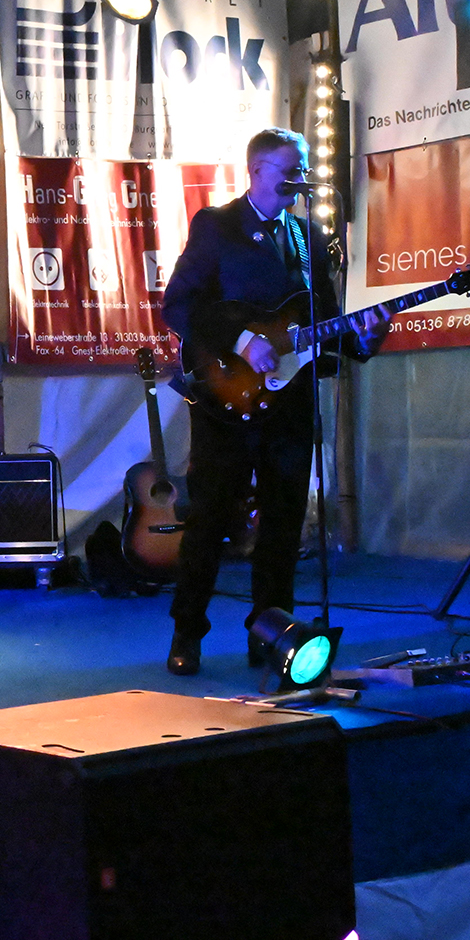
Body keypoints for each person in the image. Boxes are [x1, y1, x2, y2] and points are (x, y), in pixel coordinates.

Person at [160, 128, 388, 675]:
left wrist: (364, 337)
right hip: (225, 401)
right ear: (258, 170)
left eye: (304, 167)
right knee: (210, 519)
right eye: (290, 168)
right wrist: (242, 341)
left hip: (290, 404)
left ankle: (271, 633)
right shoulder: (216, 225)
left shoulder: (308, 236)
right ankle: (187, 632)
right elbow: (179, 306)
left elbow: (322, 323)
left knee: (283, 524)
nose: (300, 178)